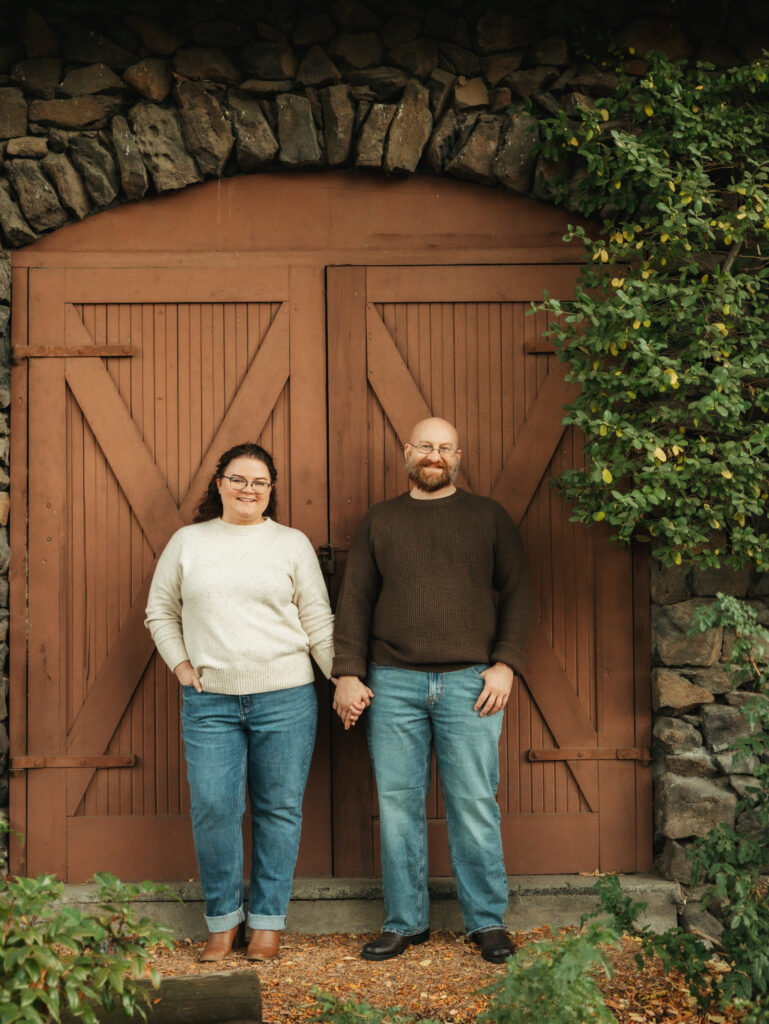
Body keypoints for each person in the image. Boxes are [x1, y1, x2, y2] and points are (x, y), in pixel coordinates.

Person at [331, 417, 530, 964]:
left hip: (472, 683)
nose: (434, 455)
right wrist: (348, 671)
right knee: (398, 805)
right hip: (392, 681)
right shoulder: (381, 520)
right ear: (407, 451)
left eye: (445, 448)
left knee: (473, 803)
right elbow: (355, 599)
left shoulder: (488, 517)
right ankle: (405, 923)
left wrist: (506, 664)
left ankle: (487, 921)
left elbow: (519, 591)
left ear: (458, 456)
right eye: (425, 446)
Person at [145, 442, 333, 963]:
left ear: (271, 490)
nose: (249, 489)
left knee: (279, 810)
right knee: (214, 808)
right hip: (210, 702)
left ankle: (267, 922)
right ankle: (223, 921)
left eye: (259, 482)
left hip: (287, 697)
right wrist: (182, 666)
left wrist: (341, 678)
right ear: (220, 484)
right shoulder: (188, 542)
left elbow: (318, 620)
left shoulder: (291, 544)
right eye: (239, 479)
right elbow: (160, 611)